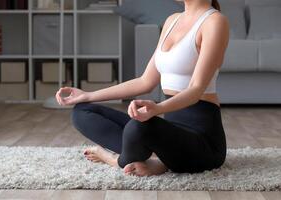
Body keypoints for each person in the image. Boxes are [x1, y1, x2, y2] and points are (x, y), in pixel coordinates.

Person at [55, 0, 229, 177]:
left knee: (139, 128)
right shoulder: (172, 20)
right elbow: (145, 81)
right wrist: (87, 95)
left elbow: (196, 89)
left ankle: (116, 160)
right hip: (170, 131)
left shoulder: (214, 22)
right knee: (82, 112)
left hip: (204, 144)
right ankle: (161, 159)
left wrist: (157, 108)